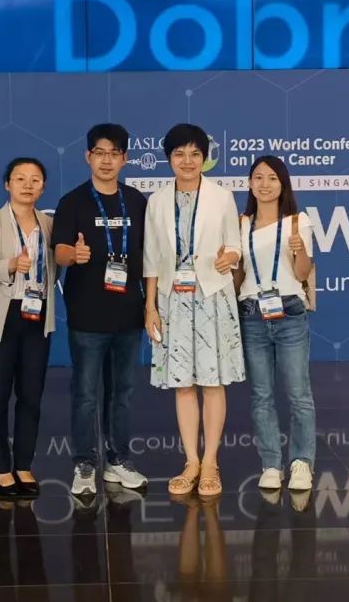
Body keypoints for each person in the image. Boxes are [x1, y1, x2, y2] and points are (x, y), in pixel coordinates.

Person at [143, 123, 245, 497]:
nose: (187, 161)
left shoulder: (221, 196)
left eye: (195, 154)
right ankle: (191, 461)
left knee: (213, 383)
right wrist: (150, 306)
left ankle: (211, 462)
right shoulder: (157, 200)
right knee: (183, 384)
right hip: (172, 299)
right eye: (179, 154)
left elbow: (235, 246)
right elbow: (151, 257)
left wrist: (229, 257)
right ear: (168, 158)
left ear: (205, 158)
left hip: (212, 295)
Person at [52, 123, 149, 496]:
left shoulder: (137, 201)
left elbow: (150, 255)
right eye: (100, 153)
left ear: (124, 159)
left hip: (129, 314)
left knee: (123, 392)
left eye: (114, 154)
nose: (106, 160)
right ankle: (84, 463)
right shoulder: (73, 202)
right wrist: (73, 254)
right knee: (86, 393)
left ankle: (118, 459)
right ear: (87, 157)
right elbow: (59, 251)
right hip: (87, 316)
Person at [0, 157, 57, 497]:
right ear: (7, 184)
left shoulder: (50, 224)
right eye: (20, 178)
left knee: (31, 395)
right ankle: (1, 468)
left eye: (35, 179)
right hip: (1, 317)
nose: (27, 185)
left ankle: (23, 465)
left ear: (43, 187)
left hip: (37, 315)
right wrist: (11, 264)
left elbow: (57, 266)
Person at [233, 155, 316, 491]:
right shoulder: (240, 224)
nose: (264, 184)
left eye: (271, 178)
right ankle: (270, 463)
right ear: (250, 184)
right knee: (261, 395)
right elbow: (239, 275)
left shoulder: (298, 222)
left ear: (283, 184)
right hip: (252, 313)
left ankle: (301, 463)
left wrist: (300, 251)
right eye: (258, 177)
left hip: (290, 312)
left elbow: (302, 273)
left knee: (298, 393)